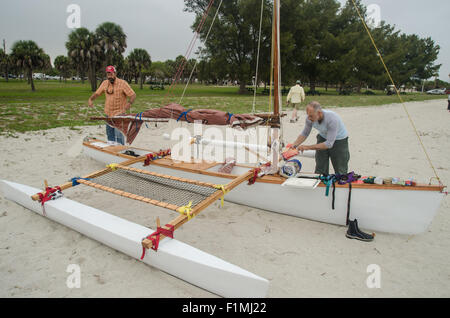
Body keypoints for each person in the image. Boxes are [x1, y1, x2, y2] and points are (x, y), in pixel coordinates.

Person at [290, 101, 349, 175]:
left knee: (340, 169)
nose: (309, 118)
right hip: (323, 136)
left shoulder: (332, 119)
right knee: (320, 167)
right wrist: (295, 144)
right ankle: (320, 179)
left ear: (319, 113)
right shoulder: (309, 118)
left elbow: (329, 144)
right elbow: (305, 133)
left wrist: (307, 147)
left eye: (311, 116)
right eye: (308, 115)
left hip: (340, 140)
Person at [88, 65, 136, 145]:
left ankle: (121, 151)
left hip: (119, 114)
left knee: (119, 136)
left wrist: (129, 103)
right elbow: (97, 93)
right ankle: (111, 150)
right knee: (110, 136)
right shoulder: (104, 83)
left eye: (111, 73)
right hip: (108, 114)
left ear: (115, 73)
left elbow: (133, 95)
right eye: (108, 74)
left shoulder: (123, 83)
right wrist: (90, 99)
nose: (109, 76)